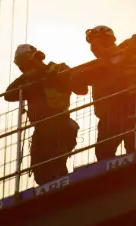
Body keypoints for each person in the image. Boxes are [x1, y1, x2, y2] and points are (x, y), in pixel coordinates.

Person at [5, 44, 85, 185]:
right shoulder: (29, 79)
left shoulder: (58, 69)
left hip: (60, 124)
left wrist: (56, 78)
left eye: (24, 60)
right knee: (39, 171)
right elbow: (8, 94)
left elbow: (81, 88)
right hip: (41, 129)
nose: (22, 65)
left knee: (57, 165)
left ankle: (63, 193)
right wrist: (33, 76)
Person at [78, 25, 136, 160]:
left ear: (106, 40)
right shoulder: (95, 65)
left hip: (129, 103)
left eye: (96, 42)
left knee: (133, 140)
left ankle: (133, 164)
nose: (94, 48)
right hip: (108, 112)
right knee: (103, 150)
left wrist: (130, 49)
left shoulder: (125, 49)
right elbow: (79, 88)